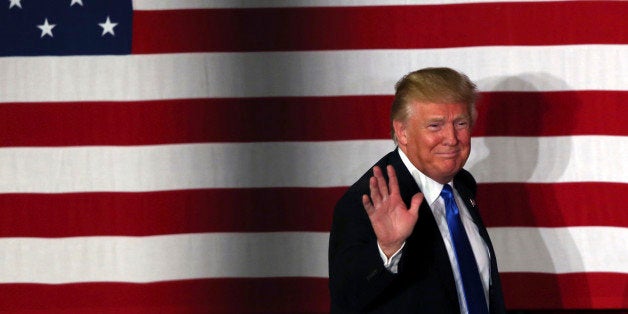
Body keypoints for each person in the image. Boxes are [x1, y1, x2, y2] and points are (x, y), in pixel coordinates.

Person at [328, 67, 506, 313]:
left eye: (461, 123)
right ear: (402, 132)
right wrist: (387, 251)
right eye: (435, 125)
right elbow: (346, 299)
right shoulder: (367, 201)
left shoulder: (462, 185)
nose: (452, 138)